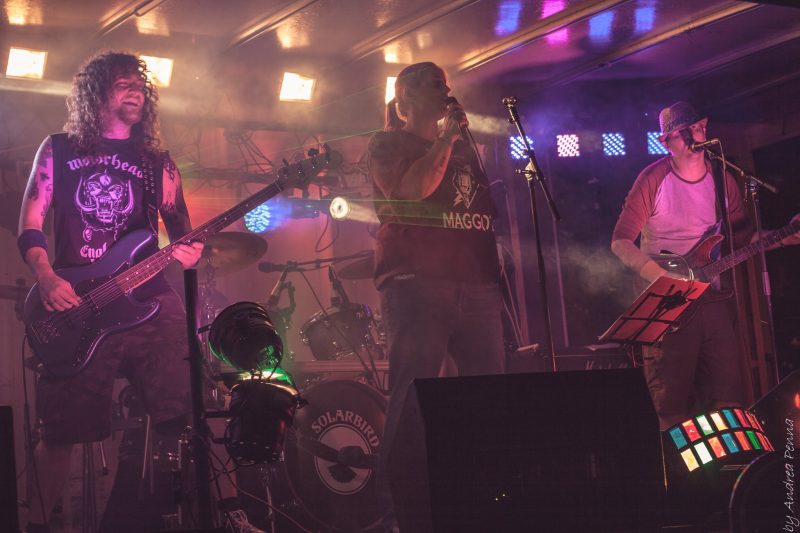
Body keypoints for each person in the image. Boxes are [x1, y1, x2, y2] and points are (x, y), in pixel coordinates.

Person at [16, 51, 258, 533]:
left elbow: (185, 233)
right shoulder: (59, 149)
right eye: (123, 84)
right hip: (76, 302)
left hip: (147, 300)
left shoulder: (156, 164)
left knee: (194, 409)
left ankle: (230, 515)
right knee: (60, 431)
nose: (136, 92)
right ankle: (34, 524)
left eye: (140, 86)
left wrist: (190, 252)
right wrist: (46, 277)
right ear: (95, 92)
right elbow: (30, 222)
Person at [367, 62, 506, 528]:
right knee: (412, 396)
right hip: (417, 284)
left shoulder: (467, 147)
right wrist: (446, 139)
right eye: (432, 85)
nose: (445, 91)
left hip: (477, 284)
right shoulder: (388, 143)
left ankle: (483, 501)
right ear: (404, 99)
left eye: (446, 84)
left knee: (488, 397)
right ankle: (402, 513)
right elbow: (413, 193)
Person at [611, 101, 800, 431]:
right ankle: (678, 475)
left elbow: (743, 237)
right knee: (671, 399)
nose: (696, 136)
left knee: (728, 396)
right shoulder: (653, 179)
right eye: (686, 131)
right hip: (667, 301)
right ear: (666, 140)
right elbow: (620, 242)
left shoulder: (722, 179)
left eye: (699, 127)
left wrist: (784, 237)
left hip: (712, 299)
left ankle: (728, 472)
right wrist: (661, 276)